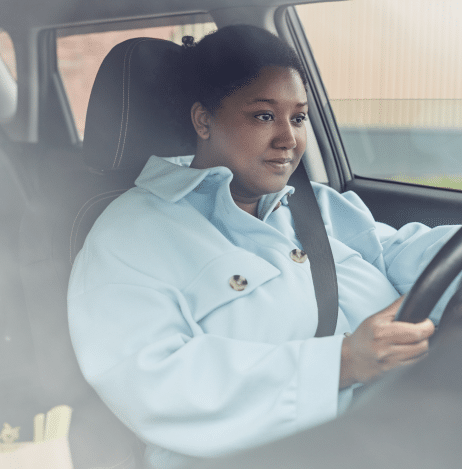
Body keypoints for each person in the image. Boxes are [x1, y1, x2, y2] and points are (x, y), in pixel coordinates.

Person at [67, 25, 458, 468]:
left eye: (298, 117)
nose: (288, 139)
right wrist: (341, 363)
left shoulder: (316, 207)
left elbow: (401, 253)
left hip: (399, 431)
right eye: (263, 116)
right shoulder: (131, 233)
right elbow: (152, 379)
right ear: (203, 120)